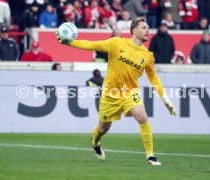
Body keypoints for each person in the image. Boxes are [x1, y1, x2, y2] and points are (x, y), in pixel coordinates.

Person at [56, 17, 176, 165]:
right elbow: (91, 45)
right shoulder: (116, 43)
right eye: (144, 27)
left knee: (142, 117)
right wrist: (69, 42)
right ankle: (95, 142)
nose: (148, 30)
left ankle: (150, 156)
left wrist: (165, 98)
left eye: (148, 28)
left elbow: (153, 79)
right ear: (134, 30)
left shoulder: (148, 55)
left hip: (130, 92)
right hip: (110, 93)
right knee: (103, 128)